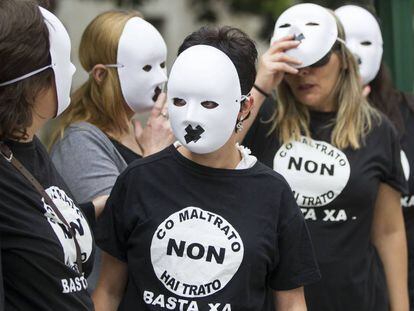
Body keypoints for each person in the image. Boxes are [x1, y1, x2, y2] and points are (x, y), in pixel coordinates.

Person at [92, 26, 321, 311]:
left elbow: (291, 302)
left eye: (209, 102)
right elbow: (108, 291)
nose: (191, 116)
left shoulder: (272, 194)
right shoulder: (138, 180)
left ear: (244, 107)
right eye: (179, 100)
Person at [243, 3, 408, 310]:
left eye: (316, 60)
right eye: (294, 62)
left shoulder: (376, 129)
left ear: (343, 59)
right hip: (274, 299)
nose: (303, 72)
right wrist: (261, 84)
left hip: (355, 298)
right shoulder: (264, 118)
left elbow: (389, 231)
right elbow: (212, 156)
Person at [49, 10, 175, 291]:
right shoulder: (80, 142)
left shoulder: (133, 130)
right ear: (101, 75)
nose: (161, 77)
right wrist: (153, 157)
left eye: (162, 65)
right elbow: (120, 228)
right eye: (146, 68)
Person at [0, 1, 96, 309]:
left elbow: (42, 223)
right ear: (30, 85)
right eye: (62, 61)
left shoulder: (27, 143)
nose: (71, 71)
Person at [336, 4, 414, 309]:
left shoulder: (408, 113)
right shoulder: (304, 124)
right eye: (343, 43)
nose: (355, 54)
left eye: (365, 42)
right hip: (347, 287)